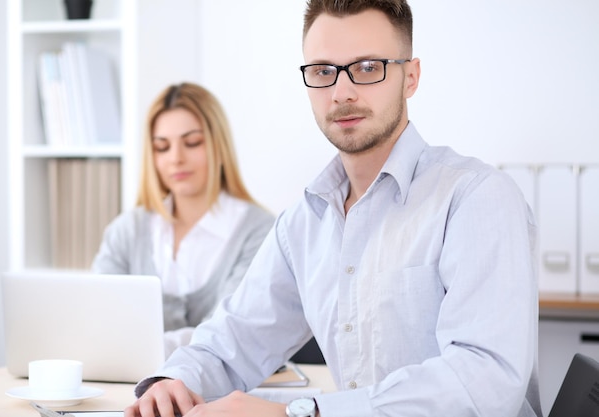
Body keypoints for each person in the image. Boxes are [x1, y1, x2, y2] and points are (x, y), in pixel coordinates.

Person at [124, 1, 542, 416]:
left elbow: (484, 383)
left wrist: (302, 413)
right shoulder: (304, 223)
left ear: (410, 77)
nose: (342, 92)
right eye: (324, 71)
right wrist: (171, 383)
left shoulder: (477, 198)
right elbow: (234, 339)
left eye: (367, 67)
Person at [92, 82, 275, 357]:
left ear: (218, 146)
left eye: (192, 143)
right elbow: (97, 320)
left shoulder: (259, 231)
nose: (176, 159)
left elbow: (227, 334)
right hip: (133, 387)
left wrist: (139, 347)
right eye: (162, 147)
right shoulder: (127, 230)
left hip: (224, 394)